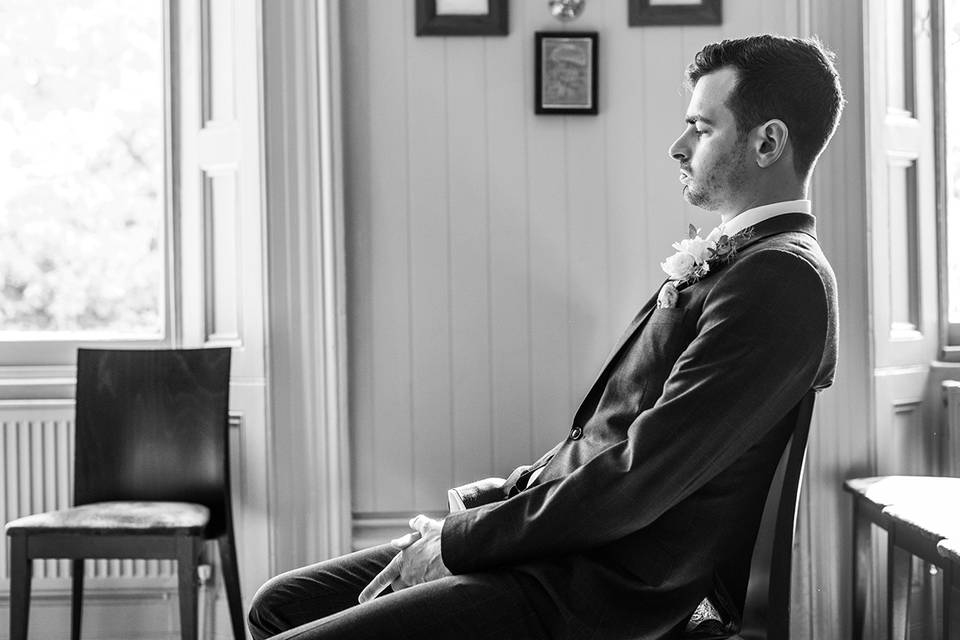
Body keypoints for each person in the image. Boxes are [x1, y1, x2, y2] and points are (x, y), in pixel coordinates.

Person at [247, 34, 844, 640]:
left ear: (768, 141)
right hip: (569, 550)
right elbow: (608, 436)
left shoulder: (780, 279)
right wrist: (487, 504)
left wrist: (459, 546)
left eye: (701, 127)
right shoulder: (745, 262)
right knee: (283, 601)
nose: (678, 146)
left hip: (603, 593)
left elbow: (637, 476)